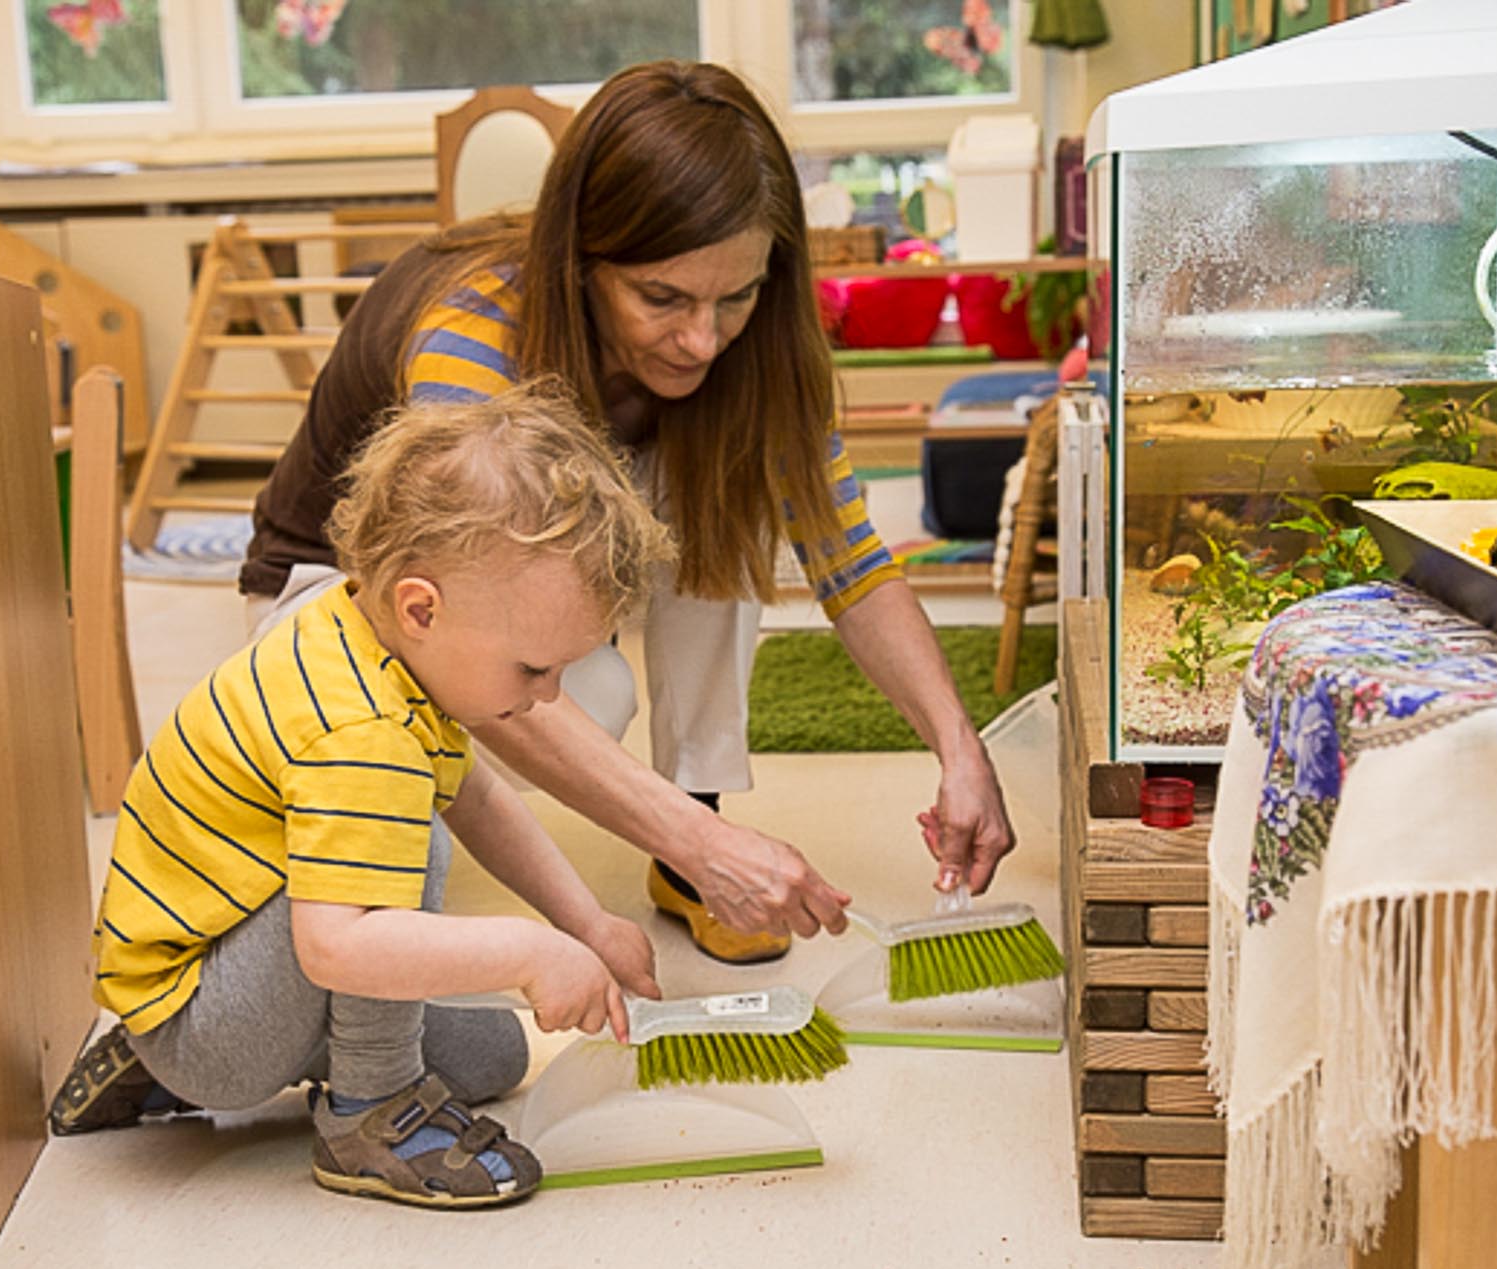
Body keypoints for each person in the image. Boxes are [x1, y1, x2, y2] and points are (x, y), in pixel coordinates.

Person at [245, 60, 1016, 965]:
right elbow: (457, 635)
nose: (702, 337)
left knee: (723, 481)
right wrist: (712, 852)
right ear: (581, 259)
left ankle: (697, 816)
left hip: (524, 573)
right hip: (336, 610)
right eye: (662, 298)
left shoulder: (742, 349)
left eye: (737, 296)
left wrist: (962, 749)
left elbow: (849, 561)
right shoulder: (474, 334)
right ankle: (666, 842)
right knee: (591, 698)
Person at [50, 384, 678, 1209]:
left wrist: (585, 924)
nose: (550, 696)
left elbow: (483, 798)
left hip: (204, 980)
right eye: (534, 668)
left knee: (495, 1056)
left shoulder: (363, 633)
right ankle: (368, 1114)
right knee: (413, 837)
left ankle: (155, 1056)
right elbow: (339, 950)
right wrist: (531, 952)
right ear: (422, 606)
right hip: (213, 1024)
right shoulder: (361, 731)